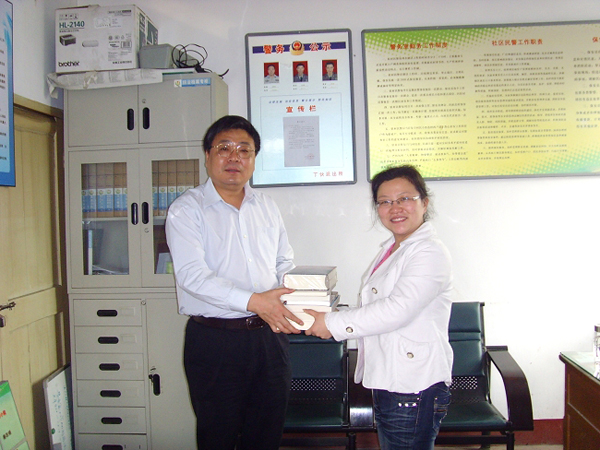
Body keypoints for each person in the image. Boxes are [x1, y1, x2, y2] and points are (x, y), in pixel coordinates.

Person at [165, 115, 303, 450]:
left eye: (245, 150)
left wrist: (300, 298)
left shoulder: (266, 206)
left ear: (254, 159)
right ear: (208, 155)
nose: (234, 157)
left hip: (269, 339)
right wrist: (256, 301)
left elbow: (283, 262)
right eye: (224, 148)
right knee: (218, 436)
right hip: (215, 341)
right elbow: (192, 276)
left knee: (266, 435)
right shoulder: (186, 210)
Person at [305, 165, 453, 450]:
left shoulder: (429, 251)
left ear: (424, 203)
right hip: (393, 378)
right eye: (385, 201)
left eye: (404, 198)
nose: (395, 208)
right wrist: (331, 315)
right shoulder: (394, 248)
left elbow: (397, 310)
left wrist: (330, 324)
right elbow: (378, 305)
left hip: (413, 385)